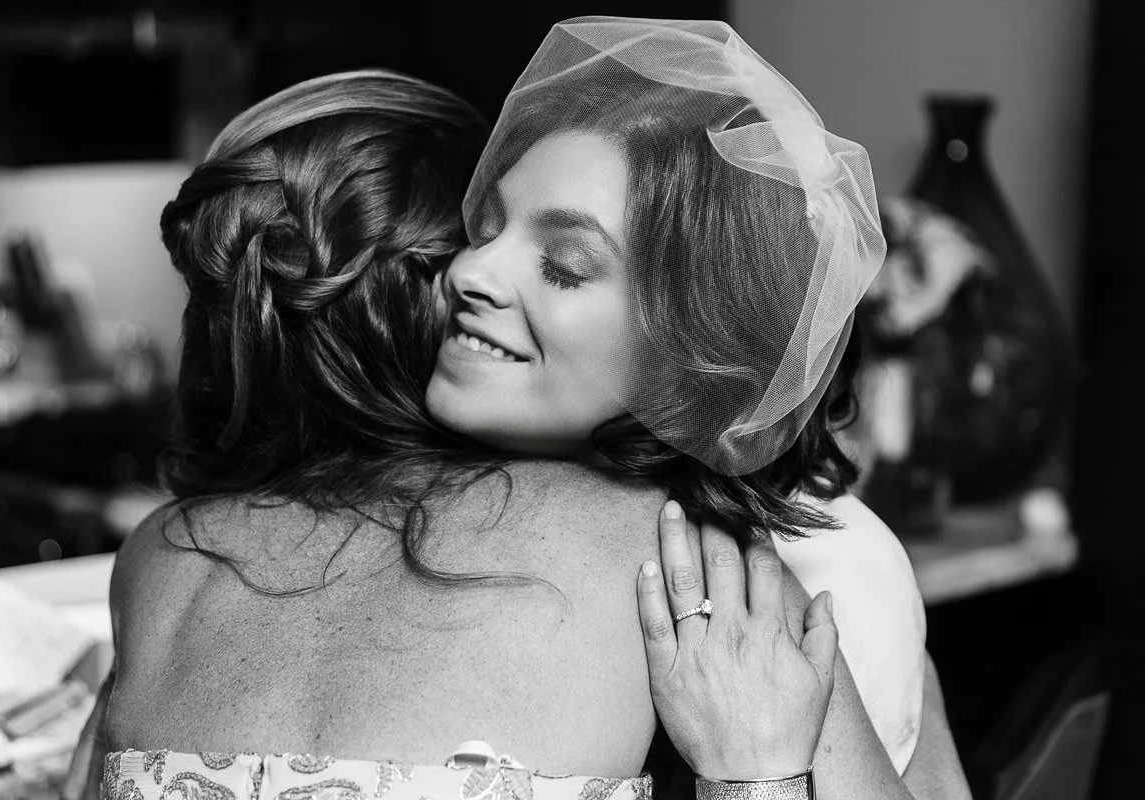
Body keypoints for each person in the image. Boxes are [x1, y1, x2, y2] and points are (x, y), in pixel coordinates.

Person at [69, 33, 967, 800]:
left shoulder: (706, 574)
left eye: (567, 266)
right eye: (482, 230)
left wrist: (757, 771)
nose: (468, 275)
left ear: (691, 350)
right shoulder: (169, 562)